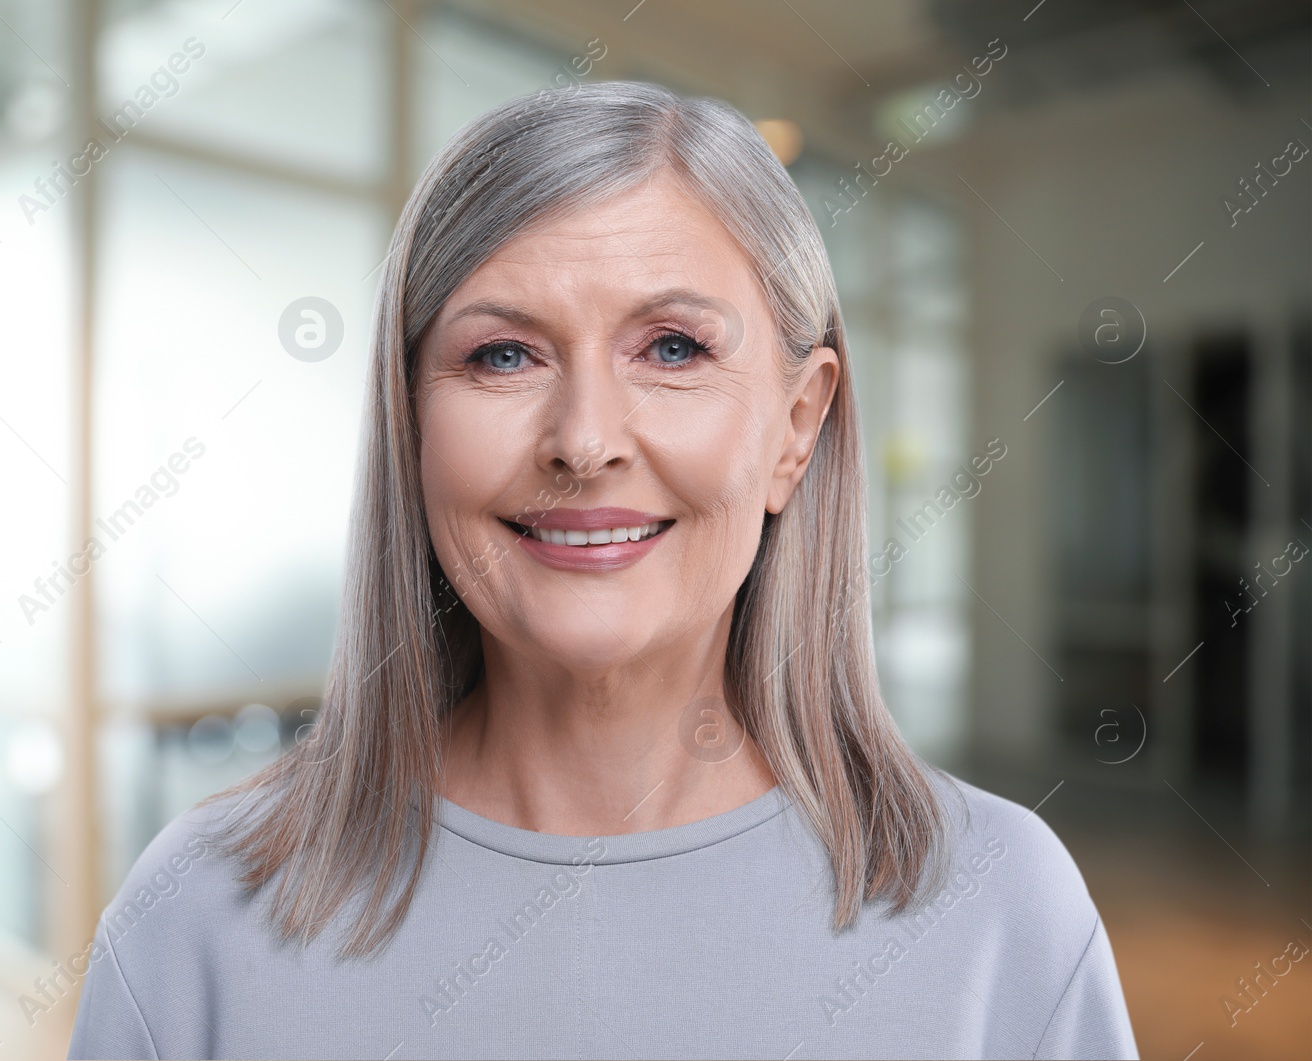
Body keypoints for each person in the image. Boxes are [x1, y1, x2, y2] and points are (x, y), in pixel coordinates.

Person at [68, 81, 1138, 1060]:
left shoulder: (1002, 909)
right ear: (409, 424)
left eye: (672, 348)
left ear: (795, 427)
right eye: (503, 354)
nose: (584, 439)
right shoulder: (195, 918)